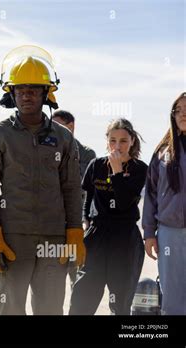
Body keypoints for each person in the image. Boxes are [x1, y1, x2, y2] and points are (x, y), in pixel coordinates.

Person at [0, 45, 84, 315]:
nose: (27, 95)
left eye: (34, 89)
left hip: (54, 237)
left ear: (46, 93)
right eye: (21, 89)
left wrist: (74, 231)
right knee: (10, 309)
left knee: (50, 308)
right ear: (11, 93)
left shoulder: (63, 138)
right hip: (11, 238)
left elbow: (71, 188)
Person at [69, 118, 147, 315]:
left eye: (123, 140)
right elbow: (88, 196)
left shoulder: (139, 169)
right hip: (97, 235)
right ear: (107, 141)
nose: (117, 146)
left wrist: (117, 171)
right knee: (82, 297)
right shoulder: (96, 165)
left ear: (132, 141)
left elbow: (123, 203)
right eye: (113, 140)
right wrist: (86, 220)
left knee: (120, 303)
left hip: (125, 238)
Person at [143, 92, 186, 315]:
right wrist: (149, 233)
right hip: (170, 233)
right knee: (173, 297)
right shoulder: (163, 153)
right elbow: (150, 194)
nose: (183, 113)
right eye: (178, 109)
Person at [53, 110, 96, 288]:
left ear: (71, 126)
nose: (52, 130)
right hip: (53, 223)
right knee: (53, 281)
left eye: (57, 125)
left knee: (77, 280)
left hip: (77, 224)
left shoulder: (87, 154)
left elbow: (81, 183)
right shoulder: (48, 151)